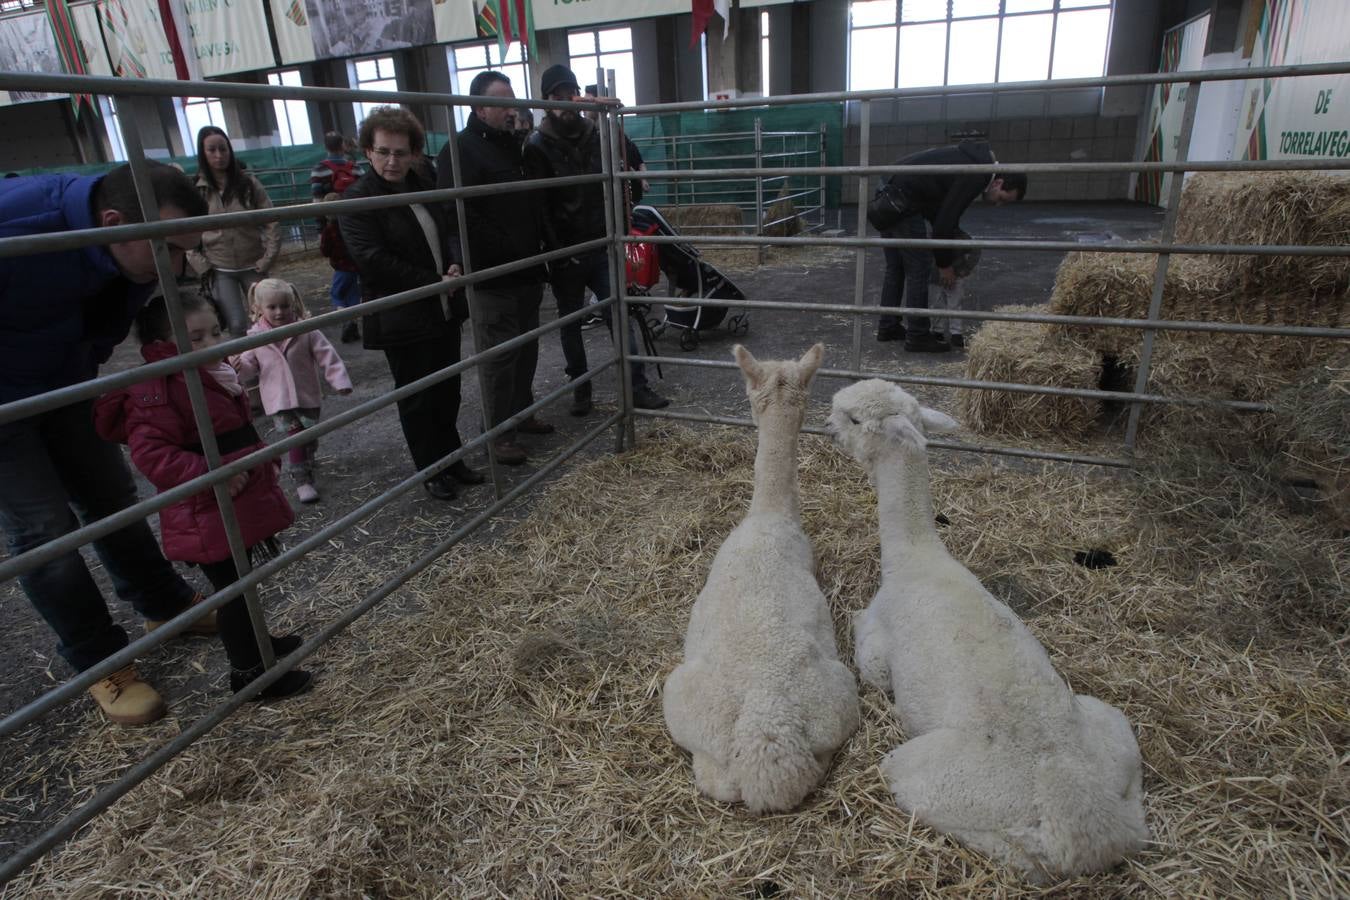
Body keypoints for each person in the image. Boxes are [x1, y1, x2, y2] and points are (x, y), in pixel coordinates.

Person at [0, 162, 214, 726]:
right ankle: (99, 660)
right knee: (44, 530)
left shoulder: (126, 245)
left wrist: (88, 356)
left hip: (67, 380)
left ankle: (165, 604)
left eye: (185, 250)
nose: (177, 268)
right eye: (168, 249)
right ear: (114, 224)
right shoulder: (17, 226)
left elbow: (110, 314)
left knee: (112, 495)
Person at [94, 295, 313, 702]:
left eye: (214, 332)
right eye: (195, 337)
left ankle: (259, 643)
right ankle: (250, 675)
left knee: (245, 581)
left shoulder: (210, 372)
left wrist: (261, 459)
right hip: (206, 507)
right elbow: (151, 453)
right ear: (161, 344)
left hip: (234, 498)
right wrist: (207, 477)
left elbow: (232, 428)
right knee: (232, 591)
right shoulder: (160, 388)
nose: (210, 343)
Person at [338, 106, 484, 502]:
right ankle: (431, 469)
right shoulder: (357, 200)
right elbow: (372, 260)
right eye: (383, 151)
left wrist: (454, 262)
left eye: (401, 152)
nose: (392, 161)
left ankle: (452, 459)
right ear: (367, 151)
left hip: (442, 307)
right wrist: (434, 283)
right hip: (401, 313)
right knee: (418, 397)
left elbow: (448, 228)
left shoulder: (424, 182)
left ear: (414, 153)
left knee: (448, 389)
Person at [523, 64, 670, 416]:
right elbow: (540, 206)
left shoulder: (597, 133)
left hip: (603, 243)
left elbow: (620, 177)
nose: (565, 102)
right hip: (568, 251)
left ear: (578, 96)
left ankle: (637, 387)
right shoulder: (537, 145)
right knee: (570, 322)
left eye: (569, 94)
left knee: (620, 314)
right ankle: (581, 388)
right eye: (557, 96)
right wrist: (558, 252)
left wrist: (619, 228)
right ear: (546, 101)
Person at [436, 71, 551, 468]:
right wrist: (503, 246)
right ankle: (498, 433)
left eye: (512, 102)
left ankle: (522, 412)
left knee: (527, 347)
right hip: (492, 273)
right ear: (479, 108)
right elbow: (457, 211)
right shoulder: (460, 150)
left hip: (527, 268)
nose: (511, 110)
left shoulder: (516, 146)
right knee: (499, 356)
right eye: (502, 103)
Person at [873, 140, 1026, 353]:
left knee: (896, 266)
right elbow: (944, 222)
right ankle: (917, 335)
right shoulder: (977, 173)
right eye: (1002, 198)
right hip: (902, 200)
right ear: (998, 183)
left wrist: (949, 234)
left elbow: (937, 208)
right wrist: (945, 265)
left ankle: (888, 326)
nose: (998, 204)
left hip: (886, 192)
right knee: (919, 267)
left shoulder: (968, 160)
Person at [231, 278, 352, 504]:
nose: (279, 312)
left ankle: (308, 457)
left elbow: (327, 355)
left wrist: (339, 381)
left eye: (284, 306)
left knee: (309, 435)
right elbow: (250, 367)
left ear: (293, 304)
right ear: (259, 308)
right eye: (272, 307)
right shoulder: (255, 337)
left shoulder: (306, 329)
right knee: (295, 437)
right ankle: (301, 479)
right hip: (279, 400)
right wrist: (238, 367)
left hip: (307, 394)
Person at [188, 126, 281, 337]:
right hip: (219, 267)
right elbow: (186, 229)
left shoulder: (248, 184)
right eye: (212, 150)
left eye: (223, 149)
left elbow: (271, 218)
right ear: (203, 153)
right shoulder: (196, 189)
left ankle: (273, 357)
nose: (219, 155)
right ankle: (243, 359)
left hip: (253, 264)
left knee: (267, 319)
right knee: (237, 324)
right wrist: (202, 265)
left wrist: (269, 257)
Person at [583, 84, 650, 205]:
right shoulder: (584, 134)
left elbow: (636, 159)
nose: (583, 107)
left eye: (587, 102)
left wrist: (642, 179)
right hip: (601, 197)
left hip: (621, 196)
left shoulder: (614, 132)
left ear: (600, 104)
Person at [319, 191, 363, 344]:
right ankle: (354, 326)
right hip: (355, 267)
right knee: (353, 296)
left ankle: (346, 321)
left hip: (341, 268)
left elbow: (325, 251)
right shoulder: (351, 225)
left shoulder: (329, 230)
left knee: (337, 294)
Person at [927, 230, 981, 351]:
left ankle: (953, 333)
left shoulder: (956, 234)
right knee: (940, 304)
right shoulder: (955, 234)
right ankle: (942, 331)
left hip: (951, 274)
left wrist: (966, 268)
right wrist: (966, 268)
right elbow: (976, 249)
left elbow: (976, 249)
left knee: (951, 304)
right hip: (942, 274)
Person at [309, 131, 362, 202]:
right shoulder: (356, 168)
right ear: (343, 146)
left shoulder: (318, 169)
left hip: (330, 208)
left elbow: (317, 199)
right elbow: (364, 191)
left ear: (325, 147)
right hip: (355, 207)